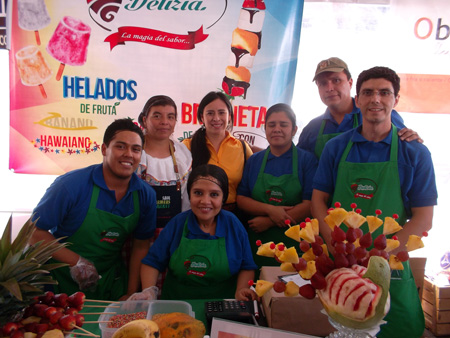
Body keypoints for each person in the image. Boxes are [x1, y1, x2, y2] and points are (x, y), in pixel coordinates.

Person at [311, 66, 438, 337]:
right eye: (367, 93)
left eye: (384, 92)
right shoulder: (336, 148)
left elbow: (423, 217)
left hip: (390, 268)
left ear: (396, 99)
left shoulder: (415, 153)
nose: (375, 99)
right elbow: (318, 201)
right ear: (357, 100)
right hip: (342, 267)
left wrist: (378, 259)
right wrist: (335, 245)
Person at [29, 118, 157, 301]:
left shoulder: (145, 195)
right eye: (120, 146)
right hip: (60, 283)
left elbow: (141, 246)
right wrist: (77, 262)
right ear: (105, 149)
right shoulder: (71, 185)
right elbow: (34, 232)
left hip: (109, 283)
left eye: (136, 149)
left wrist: (130, 293)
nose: (129, 154)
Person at [131, 164, 258, 301]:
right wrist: (149, 290)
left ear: (223, 198)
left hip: (223, 309)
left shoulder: (233, 225)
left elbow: (247, 266)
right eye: (198, 193)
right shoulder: (177, 224)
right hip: (176, 308)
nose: (205, 201)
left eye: (214, 194)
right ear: (189, 195)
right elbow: (152, 262)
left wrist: (240, 290)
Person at [236, 103, 318, 269]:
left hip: (296, 245)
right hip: (259, 243)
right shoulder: (254, 160)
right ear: (264, 128)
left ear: (294, 130)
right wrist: (270, 209)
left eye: (283, 125)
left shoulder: (307, 160)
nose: (277, 129)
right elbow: (242, 198)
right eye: (271, 125)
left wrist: (270, 221)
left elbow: (310, 204)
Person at [297, 57, 422, 158]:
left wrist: (411, 137)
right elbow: (300, 166)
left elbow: (405, 145)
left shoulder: (380, 115)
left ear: (350, 83)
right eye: (323, 83)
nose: (329, 88)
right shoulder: (312, 129)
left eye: (336, 80)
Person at [182, 91, 253, 213]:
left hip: (234, 215)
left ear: (229, 116)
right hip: (199, 213)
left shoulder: (242, 147)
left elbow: (253, 184)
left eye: (221, 113)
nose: (216, 118)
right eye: (210, 113)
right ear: (201, 117)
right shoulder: (188, 146)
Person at [136, 95, 192, 230]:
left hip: (171, 231)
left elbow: (186, 199)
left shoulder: (182, 153)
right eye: (157, 116)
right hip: (135, 230)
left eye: (170, 117)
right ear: (144, 120)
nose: (164, 122)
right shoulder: (133, 150)